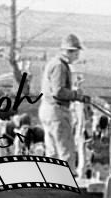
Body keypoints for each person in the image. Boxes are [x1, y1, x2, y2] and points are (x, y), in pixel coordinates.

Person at [38, 34, 90, 172]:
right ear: (70, 51)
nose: (78, 56)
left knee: (52, 152)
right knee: (66, 151)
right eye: (77, 52)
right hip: (57, 111)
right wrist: (76, 96)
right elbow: (58, 91)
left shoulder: (54, 63)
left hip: (47, 109)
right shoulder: (60, 66)